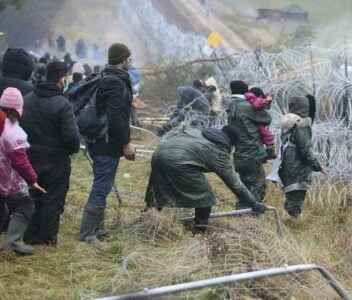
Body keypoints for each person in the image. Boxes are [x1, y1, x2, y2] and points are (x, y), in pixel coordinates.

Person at [145, 125, 266, 233]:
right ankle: (199, 231)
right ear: (231, 143)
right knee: (206, 198)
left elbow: (176, 132)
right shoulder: (218, 152)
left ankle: (148, 218)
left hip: (158, 155)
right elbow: (235, 184)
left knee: (158, 188)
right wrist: (253, 203)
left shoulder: (199, 133)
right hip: (180, 162)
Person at [79, 43, 135, 244]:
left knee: (104, 183)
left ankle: (97, 227)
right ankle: (87, 233)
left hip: (102, 141)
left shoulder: (108, 77)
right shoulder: (115, 81)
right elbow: (116, 118)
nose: (131, 60)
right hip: (106, 143)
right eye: (130, 57)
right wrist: (126, 143)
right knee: (101, 186)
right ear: (123, 59)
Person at [20, 62, 80, 246]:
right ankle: (46, 238)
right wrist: (70, 150)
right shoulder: (63, 105)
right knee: (52, 199)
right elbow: (72, 139)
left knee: (32, 196)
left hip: (30, 157)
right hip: (56, 161)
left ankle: (28, 234)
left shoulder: (27, 99)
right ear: (62, 78)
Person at [0, 88, 46, 255]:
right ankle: (13, 241)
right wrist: (32, 180)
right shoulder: (13, 132)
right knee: (25, 205)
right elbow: (20, 162)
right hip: (7, 179)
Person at [227, 80, 272, 209]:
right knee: (258, 184)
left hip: (239, 153)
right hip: (252, 153)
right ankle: (250, 213)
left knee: (244, 184)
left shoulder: (231, 105)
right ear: (245, 91)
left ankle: (241, 209)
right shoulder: (247, 106)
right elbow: (267, 119)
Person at [277, 95, 323, 218]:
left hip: (287, 163)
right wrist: (317, 166)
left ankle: (289, 219)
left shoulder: (288, 122)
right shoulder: (301, 124)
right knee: (297, 195)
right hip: (298, 166)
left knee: (291, 193)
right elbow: (305, 150)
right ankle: (292, 222)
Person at [244, 87, 276, 159]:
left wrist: (267, 100)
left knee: (266, 135)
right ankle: (270, 151)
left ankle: (269, 150)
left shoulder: (249, 98)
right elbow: (257, 104)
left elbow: (266, 107)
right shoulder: (253, 99)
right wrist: (264, 100)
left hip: (257, 121)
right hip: (257, 122)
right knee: (267, 135)